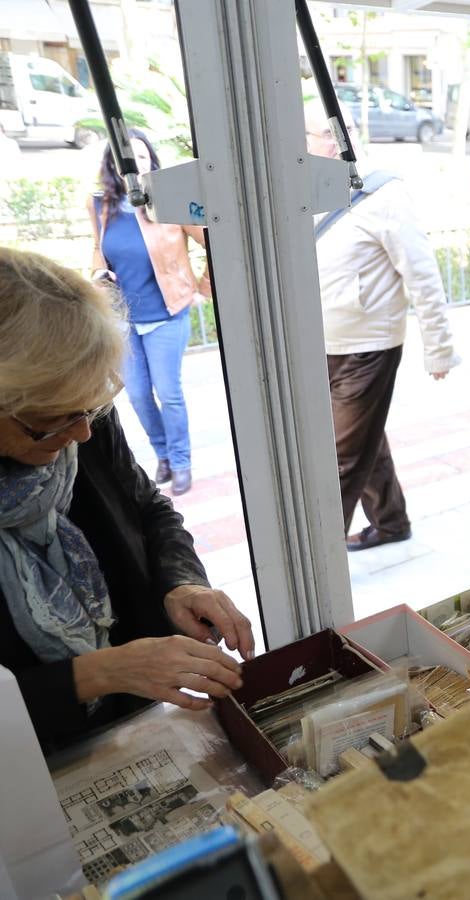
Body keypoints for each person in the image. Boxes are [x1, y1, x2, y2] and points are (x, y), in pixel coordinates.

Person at [0, 248, 254, 749]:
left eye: (92, 411)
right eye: (51, 422)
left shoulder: (78, 409)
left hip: (130, 718)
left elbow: (145, 505)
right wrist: (96, 673)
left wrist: (180, 582)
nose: (82, 435)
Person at [304, 102, 460, 552]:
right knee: (363, 439)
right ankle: (391, 521)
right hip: (323, 344)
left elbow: (422, 272)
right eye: (325, 135)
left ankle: (318, 560)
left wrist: (439, 349)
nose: (337, 140)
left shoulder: (384, 193)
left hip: (368, 346)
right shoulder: (308, 191)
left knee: (340, 457)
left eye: (345, 129)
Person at [87, 129, 209, 497]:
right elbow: (98, 248)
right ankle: (163, 456)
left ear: (152, 162)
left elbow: (215, 240)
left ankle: (182, 460)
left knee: (168, 393)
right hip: (124, 319)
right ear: (112, 163)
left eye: (141, 157)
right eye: (125, 158)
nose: (133, 165)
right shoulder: (100, 204)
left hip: (167, 316)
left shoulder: (172, 202)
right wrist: (97, 274)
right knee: (138, 395)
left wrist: (202, 291)